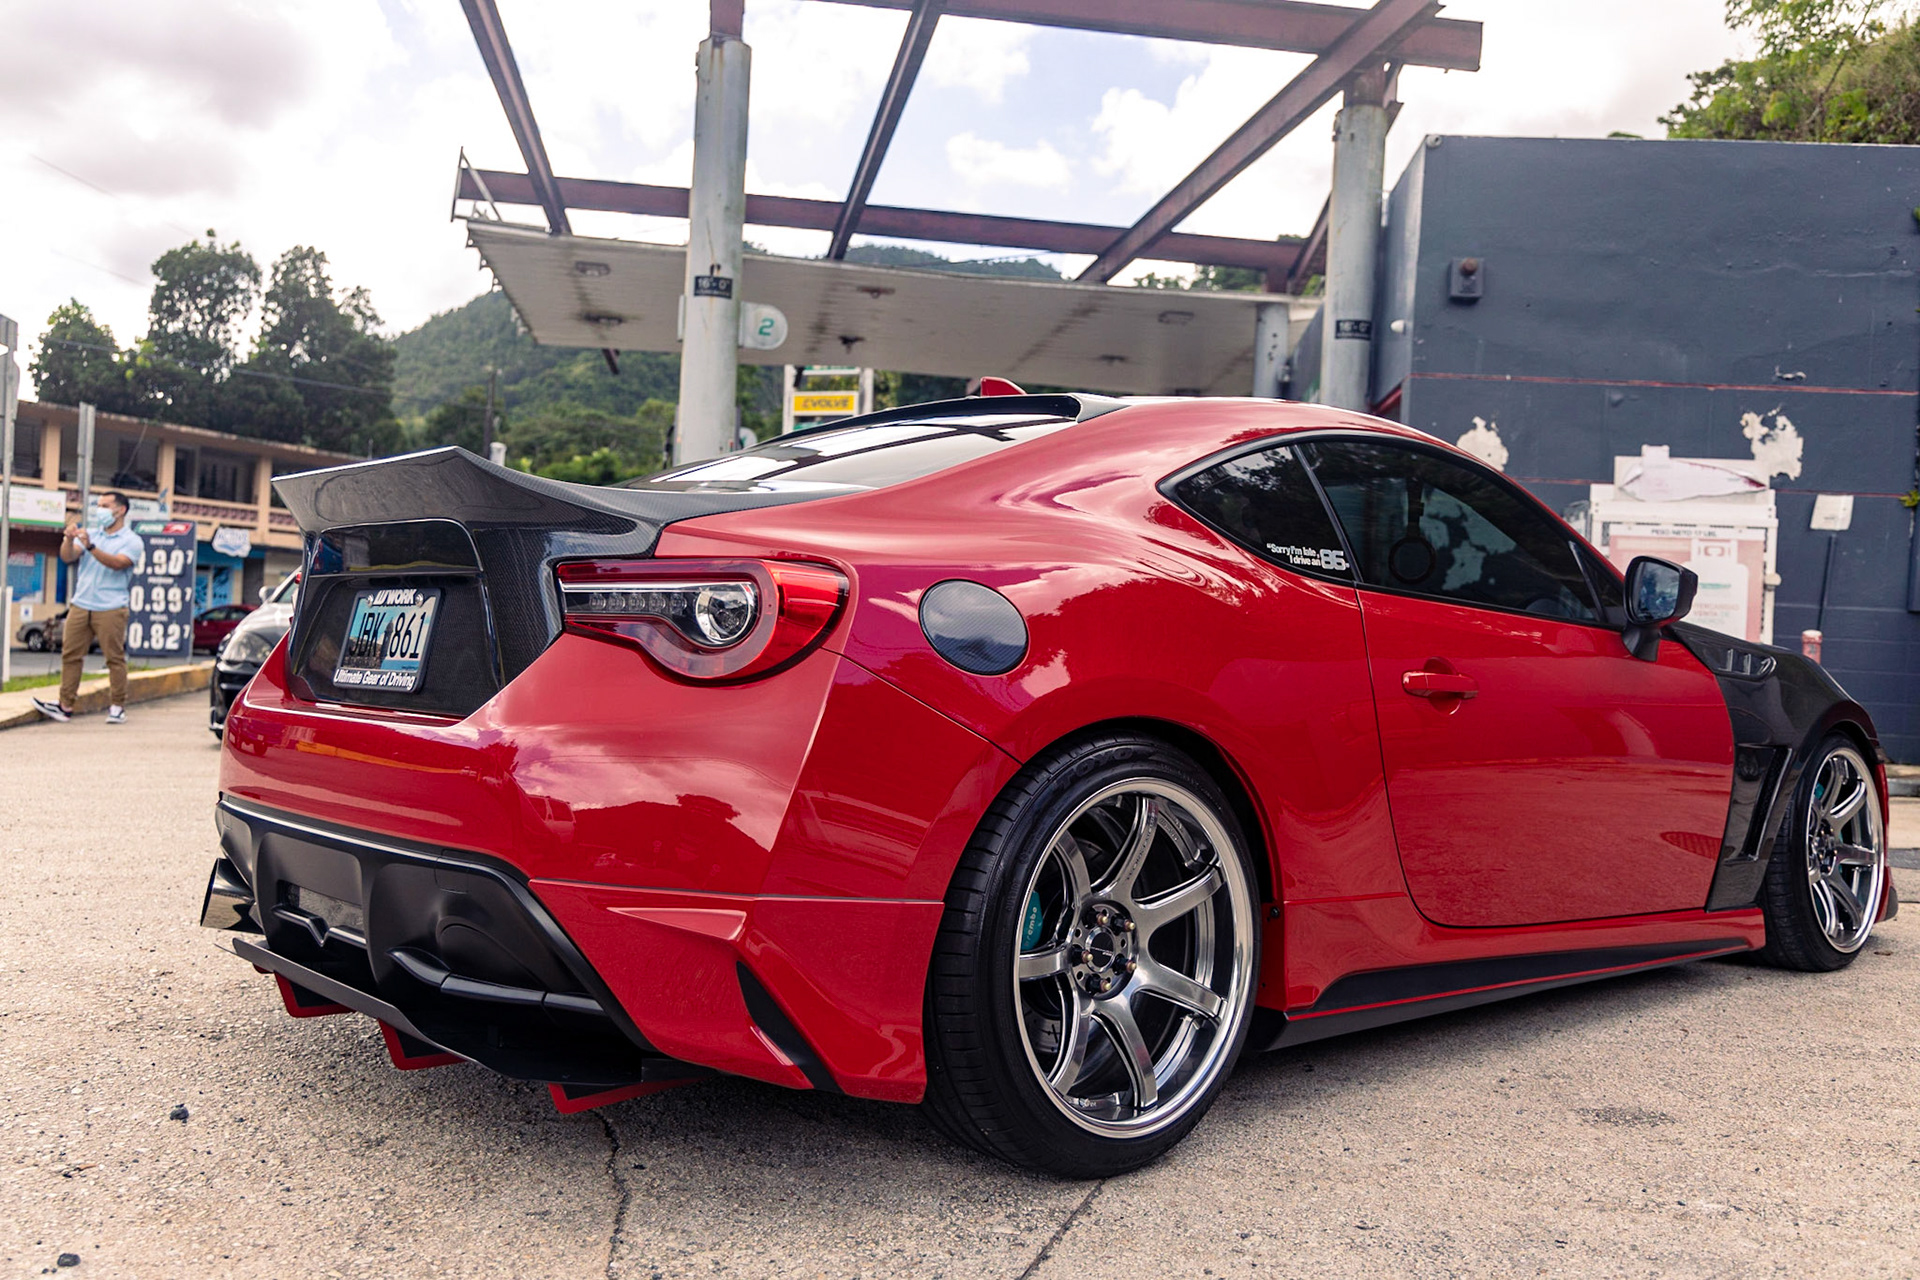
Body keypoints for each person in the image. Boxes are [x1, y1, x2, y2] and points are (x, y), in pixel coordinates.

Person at [33, 491, 145, 724]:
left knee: (114, 658)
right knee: (71, 654)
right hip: (81, 603)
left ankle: (117, 707)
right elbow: (68, 557)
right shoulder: (91, 533)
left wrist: (91, 547)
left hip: (111, 606)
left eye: (105, 505)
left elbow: (118, 563)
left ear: (121, 510)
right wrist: (68, 540)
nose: (99, 510)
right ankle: (65, 705)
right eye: (98, 505)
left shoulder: (132, 540)